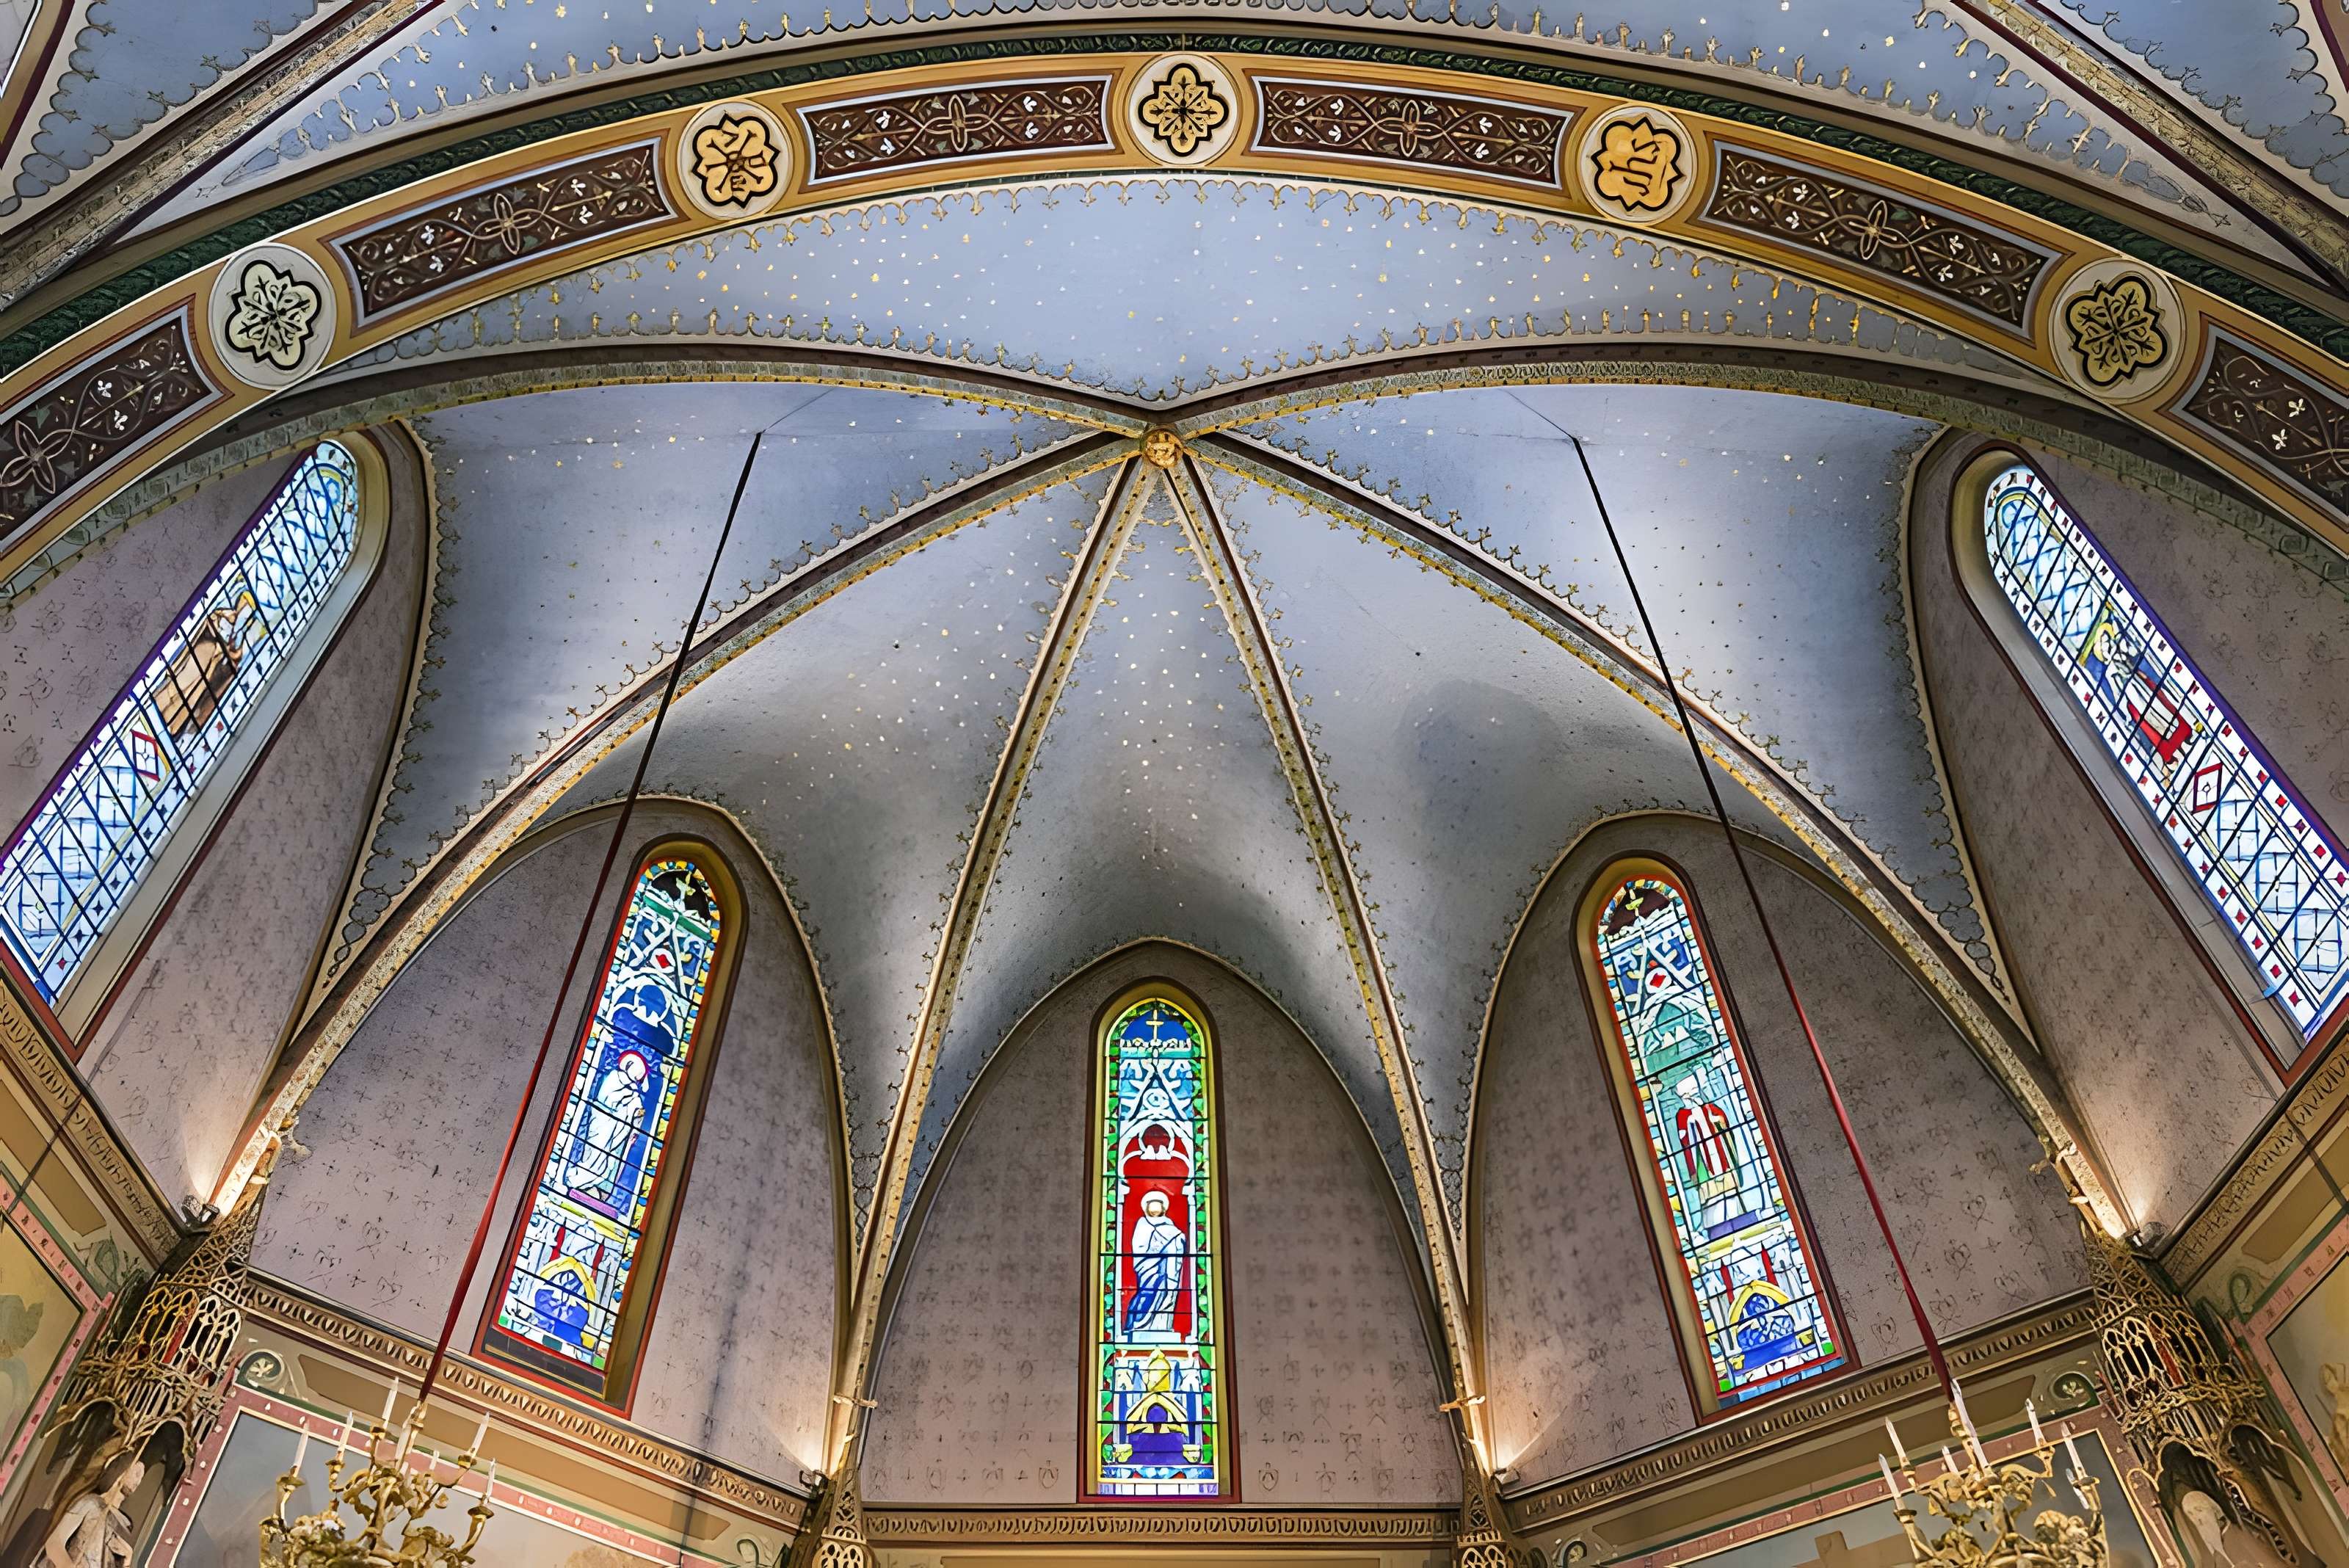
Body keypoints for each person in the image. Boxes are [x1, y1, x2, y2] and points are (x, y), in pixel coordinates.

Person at [40, 1458, 141, 1568]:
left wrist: (127, 1561)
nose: (138, 1478)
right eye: (135, 1472)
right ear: (121, 1472)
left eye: (140, 1476)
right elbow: (54, 1542)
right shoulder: (92, 1503)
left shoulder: (125, 1525)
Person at [1122, 1192, 1186, 1340]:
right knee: (1147, 1293)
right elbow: (1139, 1246)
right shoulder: (1142, 1224)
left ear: (1164, 1209)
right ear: (1147, 1208)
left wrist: (1178, 1240)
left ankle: (1162, 1326)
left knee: (1166, 1293)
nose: (1155, 1209)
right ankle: (1139, 1324)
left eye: (1158, 1206)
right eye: (1152, 1206)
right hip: (1147, 1267)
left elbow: (1178, 1241)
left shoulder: (1171, 1227)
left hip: (1166, 1269)